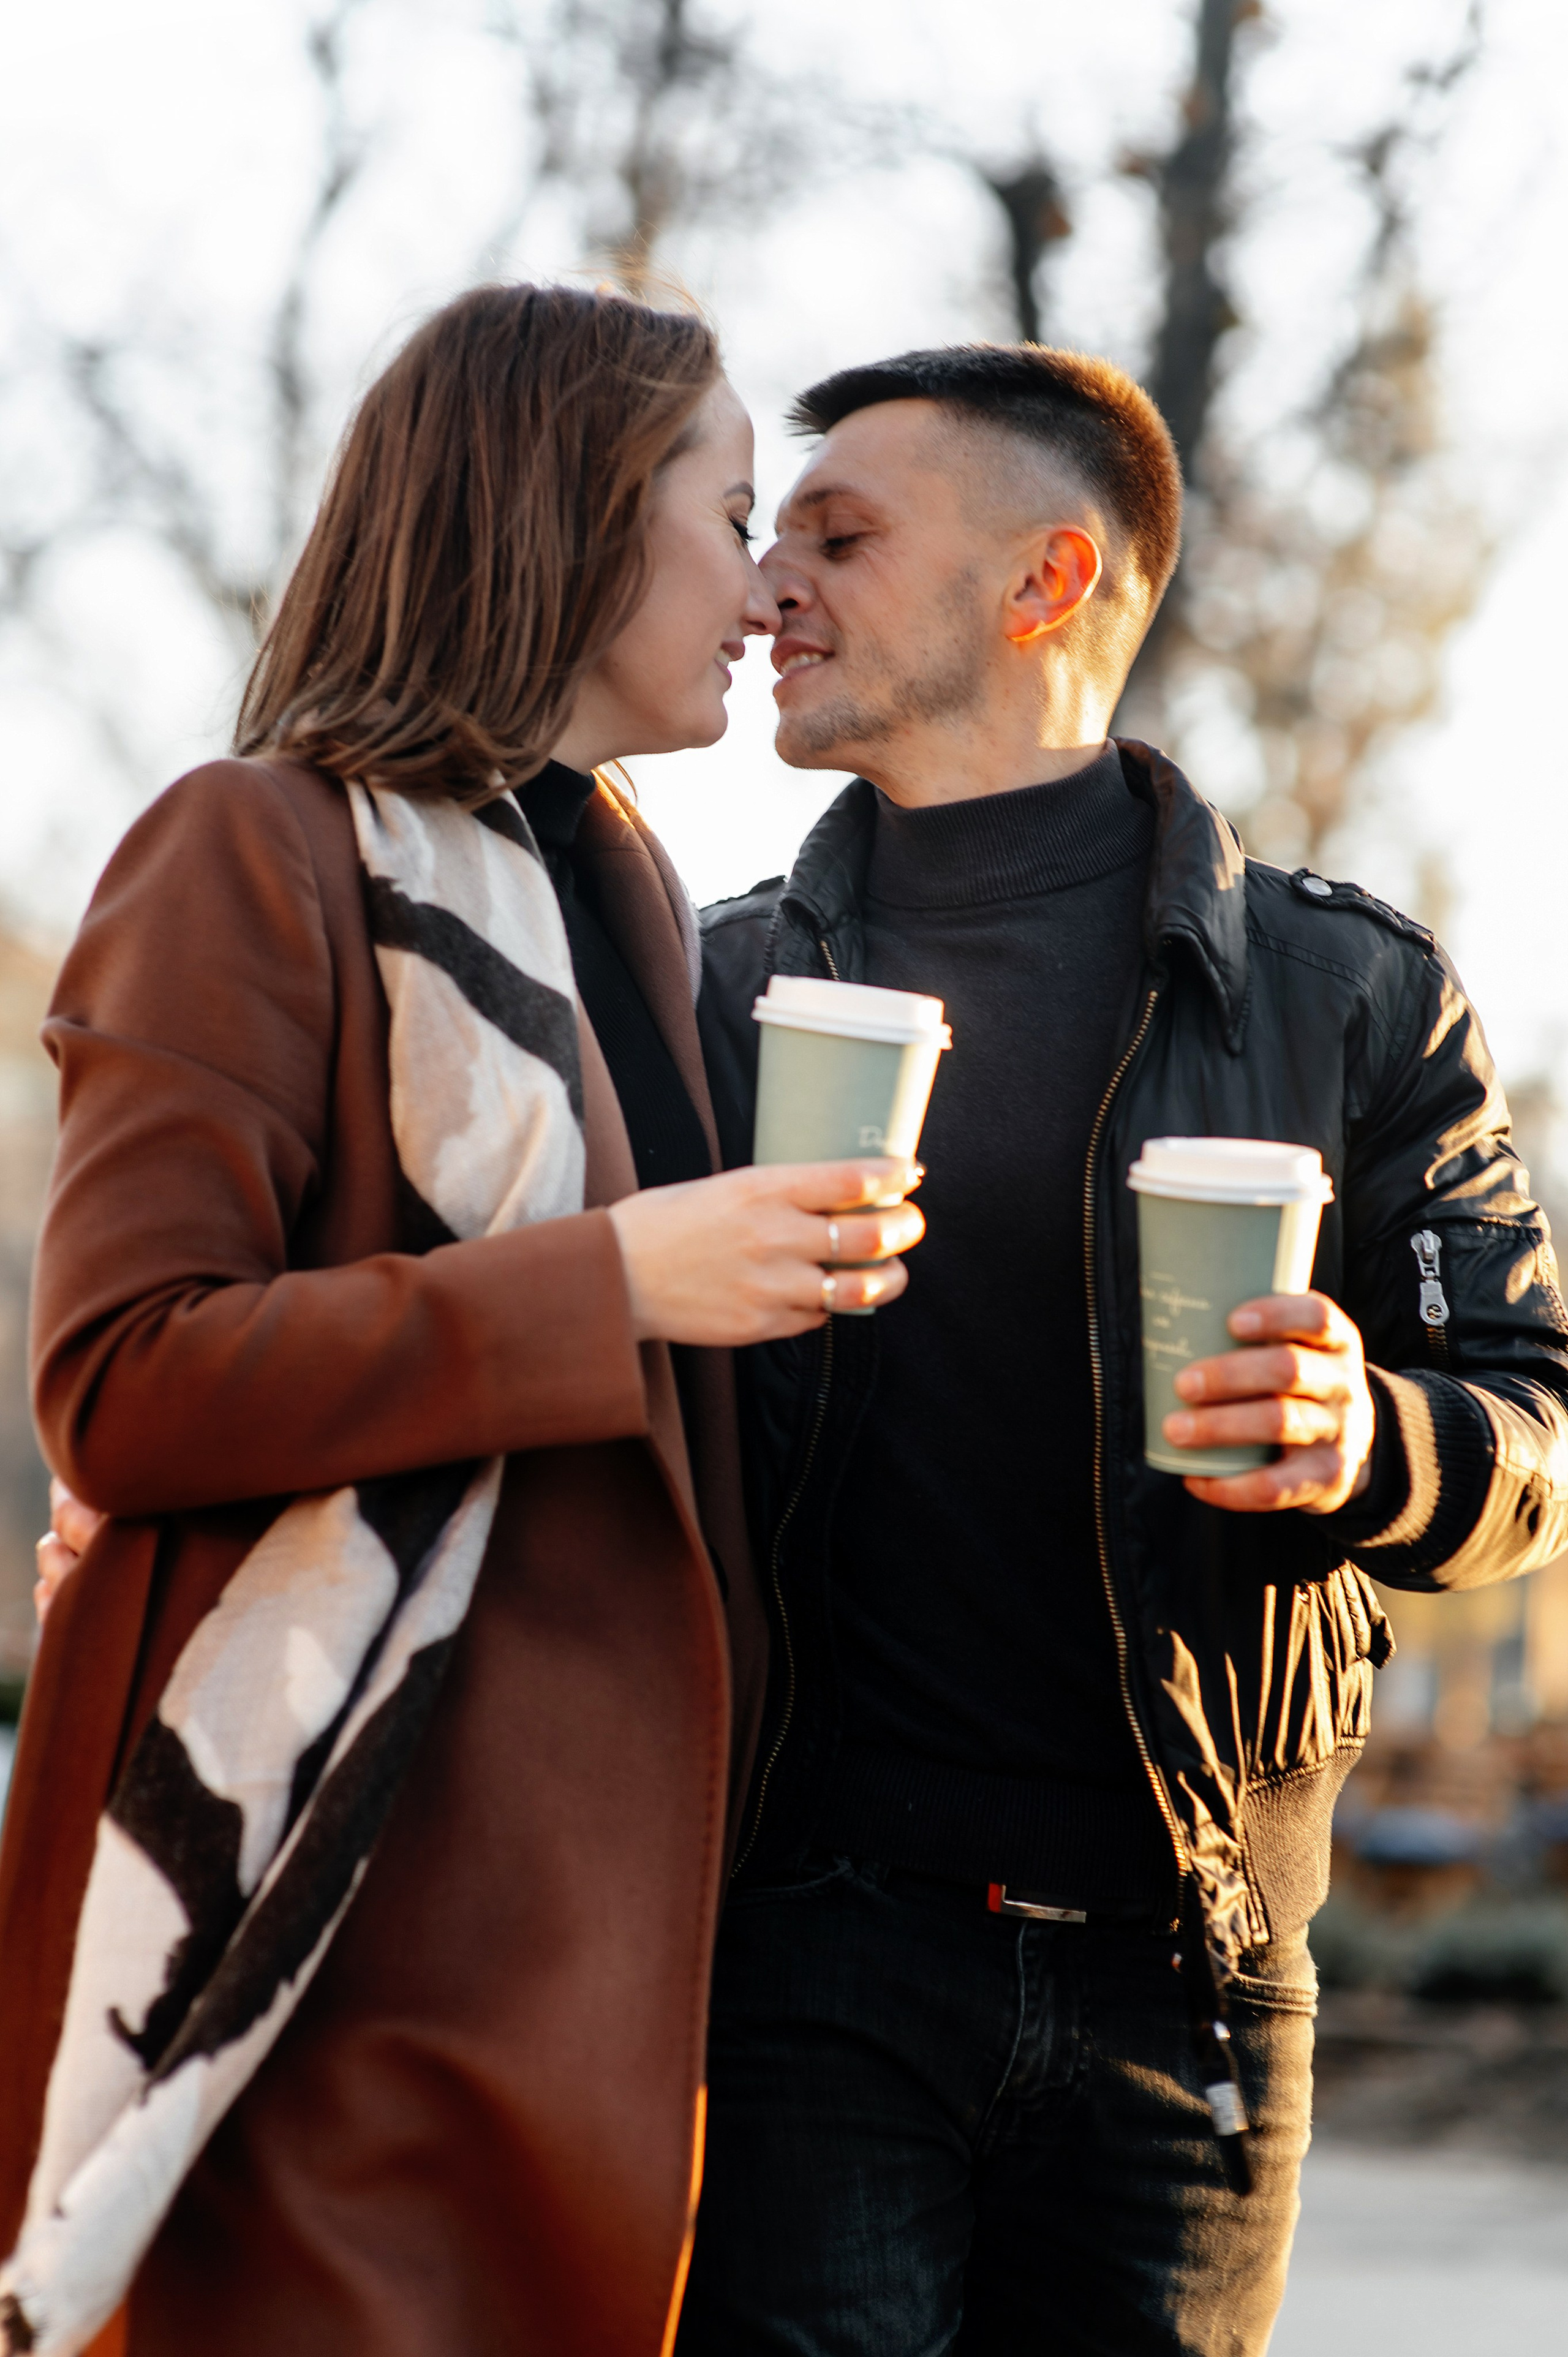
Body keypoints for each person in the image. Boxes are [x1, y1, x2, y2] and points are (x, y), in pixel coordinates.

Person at [0, 284, 924, 2357]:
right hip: (342, 1957)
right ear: (573, 517)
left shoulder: (617, 894)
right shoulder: (250, 847)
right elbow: (123, 1376)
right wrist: (612, 1281)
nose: (772, 585)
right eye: (735, 509)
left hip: (612, 1974)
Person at [685, 343, 1568, 2355]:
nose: (769, 588)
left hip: (1199, 1981)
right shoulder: (722, 983)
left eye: (838, 533)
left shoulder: (1350, 996)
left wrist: (1372, 1438)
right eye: (767, 539)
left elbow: (1538, 1424)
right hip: (810, 1956)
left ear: (1045, 580)